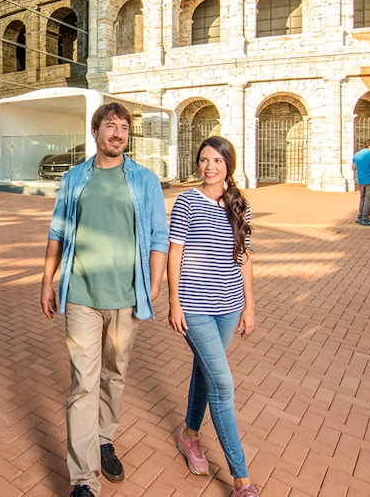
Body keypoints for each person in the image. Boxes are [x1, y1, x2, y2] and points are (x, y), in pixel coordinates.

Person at [40, 102, 169, 497]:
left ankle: (103, 440)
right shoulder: (74, 178)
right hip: (81, 294)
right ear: (95, 132)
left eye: (124, 128)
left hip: (126, 296)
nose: (118, 133)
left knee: (114, 375)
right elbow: (58, 230)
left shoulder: (145, 181)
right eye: (110, 126)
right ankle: (84, 479)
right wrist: (47, 281)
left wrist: (154, 285)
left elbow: (159, 236)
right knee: (83, 383)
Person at [167, 136, 260, 497]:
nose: (209, 167)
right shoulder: (187, 201)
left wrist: (249, 306)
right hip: (195, 306)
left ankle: (190, 434)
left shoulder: (239, 203)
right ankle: (242, 479)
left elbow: (244, 256)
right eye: (204, 160)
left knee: (206, 370)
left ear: (228, 165)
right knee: (222, 385)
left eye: (217, 161)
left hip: (229, 306)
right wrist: (174, 303)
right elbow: (176, 253)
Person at [352, 138, 370, 226]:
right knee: (369, 200)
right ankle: (365, 218)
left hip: (361, 179)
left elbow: (353, 168)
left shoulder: (357, 154)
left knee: (362, 198)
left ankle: (360, 216)